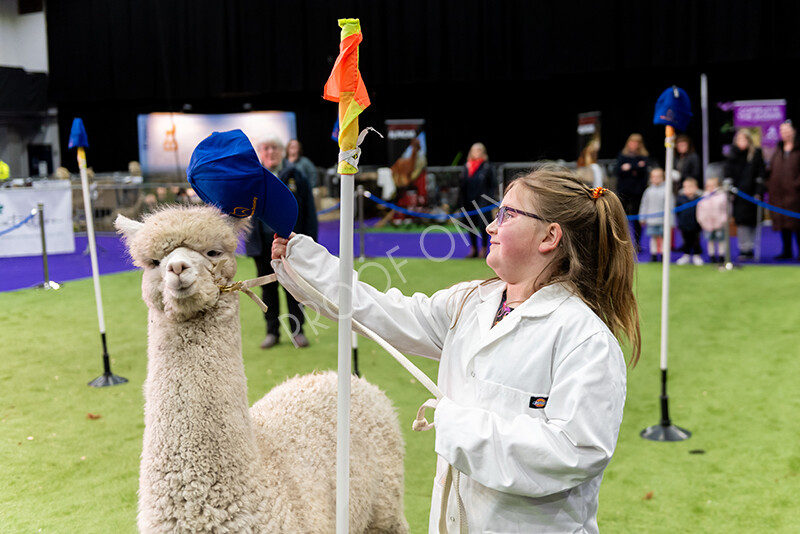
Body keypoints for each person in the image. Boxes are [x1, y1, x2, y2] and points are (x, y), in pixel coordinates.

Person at [270, 164, 641, 533]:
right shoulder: (469, 302)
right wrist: (300, 258)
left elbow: (574, 451)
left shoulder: (586, 339)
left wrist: (458, 425)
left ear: (549, 236)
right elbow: (378, 310)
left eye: (507, 214)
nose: (490, 226)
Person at [245, 137, 318, 348]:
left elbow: (310, 212)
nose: (270, 152)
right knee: (268, 289)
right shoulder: (252, 178)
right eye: (265, 148)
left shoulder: (297, 175)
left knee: (294, 288)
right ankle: (272, 333)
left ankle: (297, 331)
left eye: (274, 148)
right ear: (260, 152)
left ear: (282, 151)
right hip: (261, 245)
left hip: (290, 243)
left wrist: (310, 241)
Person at [724, 128, 765, 261]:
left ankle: (751, 247)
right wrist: (730, 190)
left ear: (749, 140)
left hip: (752, 194)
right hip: (738, 194)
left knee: (752, 222)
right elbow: (728, 174)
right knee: (741, 222)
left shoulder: (756, 154)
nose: (742, 142)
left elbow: (761, 174)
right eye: (739, 139)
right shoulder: (732, 155)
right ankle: (743, 248)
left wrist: (759, 192)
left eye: (744, 139)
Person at [767, 119, 800, 260]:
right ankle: (786, 251)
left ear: (794, 131)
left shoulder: (798, 149)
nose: (785, 134)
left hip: (796, 194)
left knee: (797, 224)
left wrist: (795, 185)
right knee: (783, 223)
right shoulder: (778, 150)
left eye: (787, 131)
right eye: (782, 131)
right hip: (779, 194)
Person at [458, 142, 498, 257]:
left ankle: (484, 248)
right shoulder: (466, 167)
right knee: (469, 225)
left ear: (484, 152)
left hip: (482, 201)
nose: (477, 152)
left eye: (479, 150)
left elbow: (493, 185)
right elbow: (462, 186)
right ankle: (473, 249)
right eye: (475, 149)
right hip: (468, 200)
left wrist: (489, 200)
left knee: (483, 224)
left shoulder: (487, 167)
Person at [614, 133, 651, 251]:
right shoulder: (622, 155)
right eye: (632, 142)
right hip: (624, 191)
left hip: (637, 192)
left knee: (636, 219)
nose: (634, 145)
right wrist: (636, 167)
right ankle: (620, 243)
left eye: (636, 142)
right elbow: (618, 170)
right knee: (621, 217)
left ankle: (637, 244)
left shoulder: (644, 156)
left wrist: (630, 168)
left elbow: (643, 171)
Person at [696, 176, 728, 264]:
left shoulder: (722, 196)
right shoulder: (703, 196)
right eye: (708, 185)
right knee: (710, 240)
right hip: (707, 223)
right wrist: (701, 220)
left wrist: (723, 220)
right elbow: (700, 210)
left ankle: (722, 256)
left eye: (712, 185)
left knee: (720, 240)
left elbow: (725, 209)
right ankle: (712, 256)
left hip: (719, 223)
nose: (710, 188)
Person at [639, 167, 667, 262]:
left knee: (663, 238)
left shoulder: (666, 190)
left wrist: (670, 221)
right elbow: (644, 205)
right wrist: (642, 217)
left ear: (663, 178)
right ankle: (654, 254)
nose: (656, 179)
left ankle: (663, 254)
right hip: (651, 220)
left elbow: (670, 206)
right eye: (654, 176)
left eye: (658, 176)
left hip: (663, 220)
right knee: (653, 237)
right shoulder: (648, 191)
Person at [675, 178, 704, 265]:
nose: (687, 189)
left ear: (696, 188)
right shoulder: (680, 198)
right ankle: (686, 255)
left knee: (696, 240)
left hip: (696, 224)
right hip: (684, 224)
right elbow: (678, 212)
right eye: (685, 187)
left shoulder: (699, 198)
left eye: (690, 187)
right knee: (686, 240)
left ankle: (696, 255)